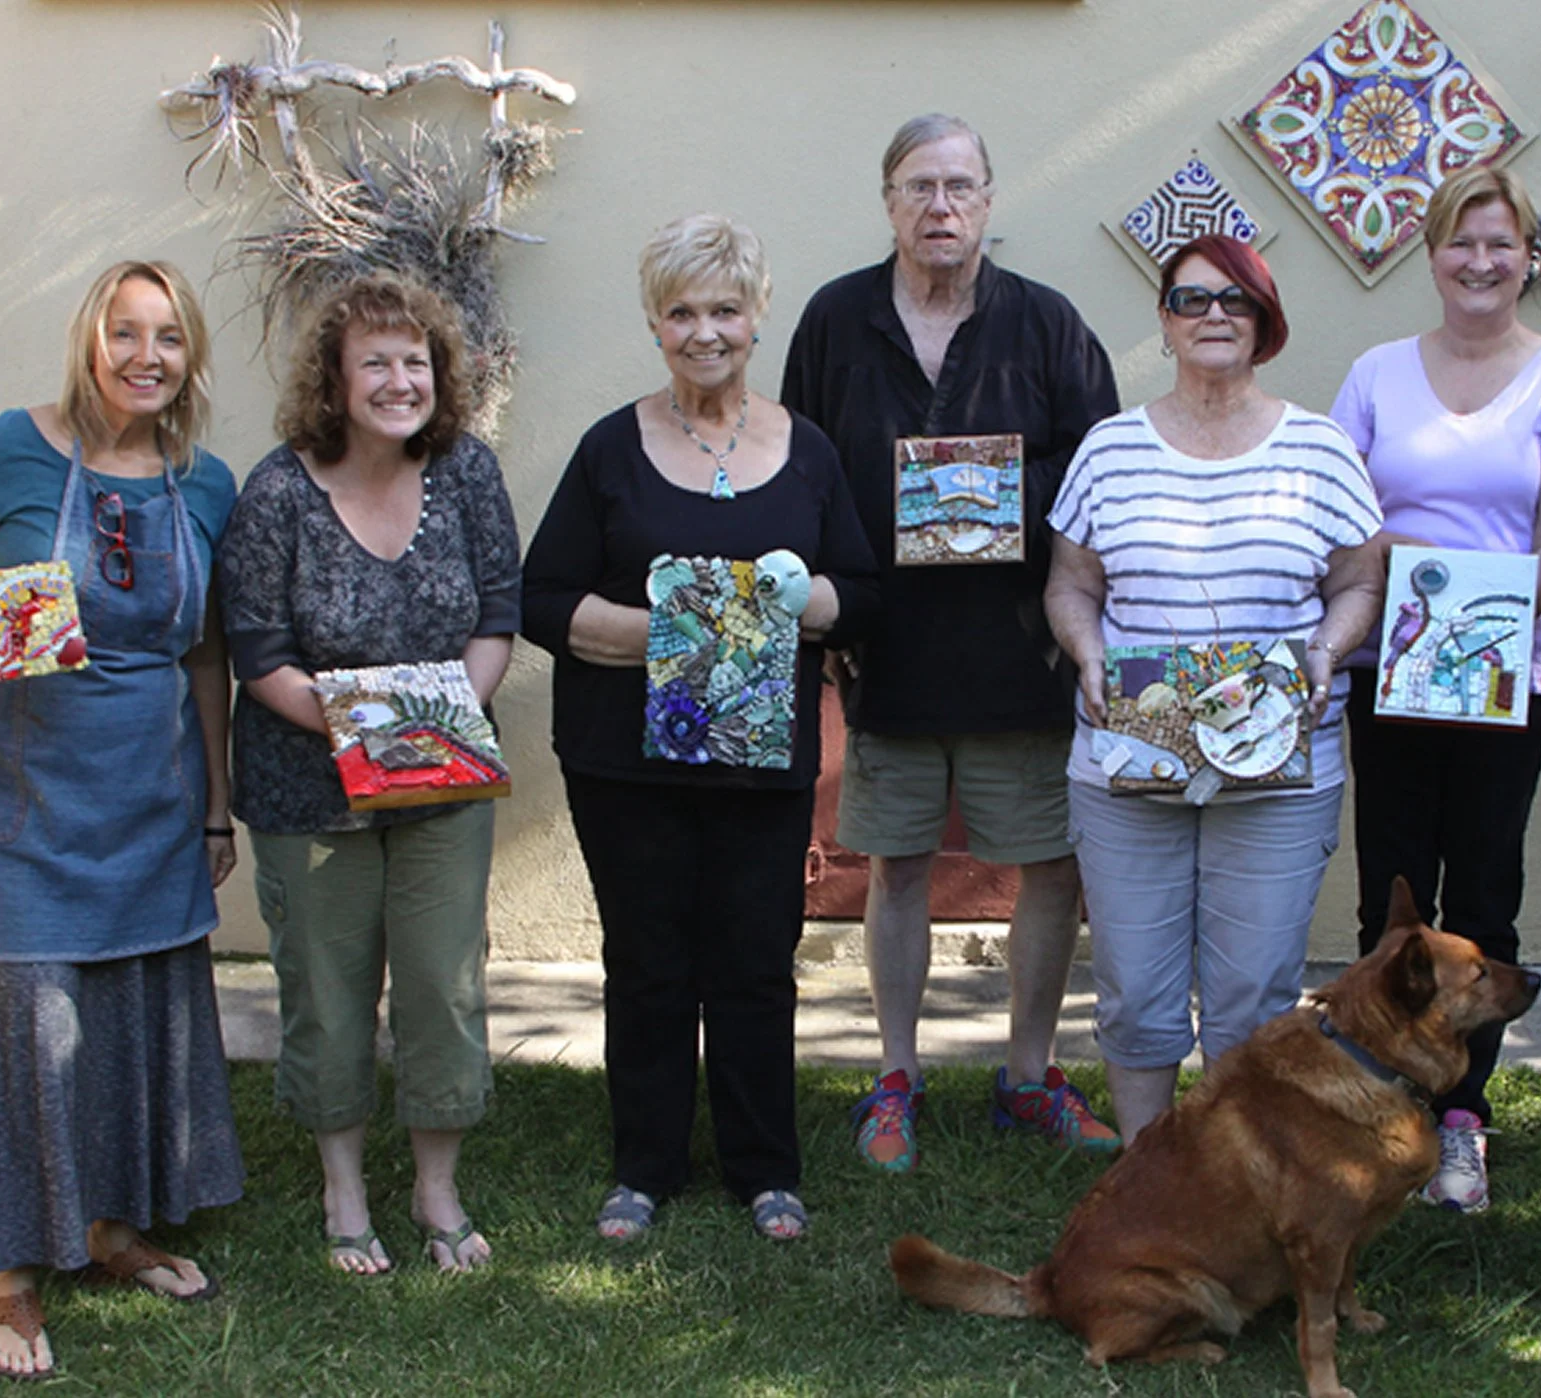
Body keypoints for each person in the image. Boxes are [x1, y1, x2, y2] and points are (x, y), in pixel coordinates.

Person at [0, 261, 243, 1381]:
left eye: (170, 338)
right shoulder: (4, 450)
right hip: (15, 786)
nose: (148, 357)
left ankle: (104, 1226)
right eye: (125, 333)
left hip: (145, 785)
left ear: (189, 357)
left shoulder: (205, 484)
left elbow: (203, 652)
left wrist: (213, 801)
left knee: (125, 1006)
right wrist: (14, 599)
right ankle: (9, 1272)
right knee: (24, 1015)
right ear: (88, 342)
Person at [524, 213, 878, 1242]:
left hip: (760, 763)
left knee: (757, 958)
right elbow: (542, 599)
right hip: (621, 759)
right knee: (646, 960)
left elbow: (861, 593)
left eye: (724, 308)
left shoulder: (805, 453)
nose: (704, 331)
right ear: (654, 322)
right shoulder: (609, 449)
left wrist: (790, 603)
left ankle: (766, 1170)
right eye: (682, 312)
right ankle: (645, 1165)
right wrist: (674, 634)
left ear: (758, 314)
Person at [781, 114, 1123, 1170]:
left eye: (961, 187)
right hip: (887, 654)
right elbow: (802, 471)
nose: (941, 206)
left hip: (1022, 651)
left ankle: (1027, 1076)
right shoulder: (836, 320)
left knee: (1050, 870)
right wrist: (829, 612)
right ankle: (895, 1076)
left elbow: (1097, 477)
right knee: (894, 867)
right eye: (920, 187)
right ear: (888, 201)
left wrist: (988, 499)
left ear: (989, 201)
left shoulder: (1047, 324)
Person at [1043, 234, 1383, 1143]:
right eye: (1192, 300)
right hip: (1130, 754)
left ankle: (1237, 1182)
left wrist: (1325, 650)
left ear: (1265, 321)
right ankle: (1151, 1177)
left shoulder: (1320, 448)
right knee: (1137, 986)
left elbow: (1360, 582)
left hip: (1282, 765)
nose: (1213, 316)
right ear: (1164, 321)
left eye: (1235, 300)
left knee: (1253, 996)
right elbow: (1073, 584)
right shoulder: (1110, 450)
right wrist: (1085, 653)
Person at [215, 273, 519, 1276]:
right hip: (311, 791)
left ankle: (437, 1184)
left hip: (441, 780)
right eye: (375, 362)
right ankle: (343, 1186)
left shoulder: (466, 472)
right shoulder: (275, 494)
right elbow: (257, 652)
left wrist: (443, 722)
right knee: (327, 990)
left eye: (415, 360)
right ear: (334, 383)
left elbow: (496, 613)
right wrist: (364, 740)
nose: (400, 380)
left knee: (443, 982)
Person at [1328, 167, 1541, 1212]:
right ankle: (1370, 1106)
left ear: (1528, 256)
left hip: (1507, 677)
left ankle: (1460, 1126)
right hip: (1390, 671)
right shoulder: (1374, 374)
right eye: (1460, 243)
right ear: (1430, 254)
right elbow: (1345, 532)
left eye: (1502, 244)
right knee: (1392, 899)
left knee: (1484, 901)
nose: (1481, 262)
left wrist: (1465, 620)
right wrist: (1404, 584)